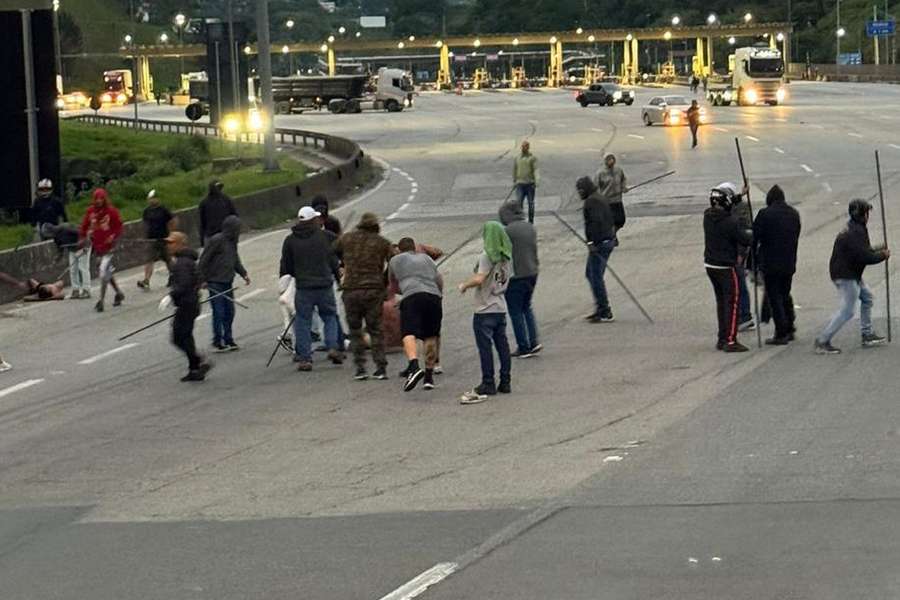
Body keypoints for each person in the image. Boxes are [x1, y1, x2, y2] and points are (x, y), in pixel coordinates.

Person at [814, 200, 890, 355]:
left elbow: (863, 250)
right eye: (867, 213)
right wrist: (882, 255)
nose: (868, 216)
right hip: (846, 275)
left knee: (867, 298)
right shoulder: (855, 232)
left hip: (850, 271)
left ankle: (867, 334)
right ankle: (822, 341)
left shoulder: (856, 228)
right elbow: (864, 256)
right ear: (861, 215)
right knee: (847, 311)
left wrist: (878, 249)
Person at [280, 206, 343, 371]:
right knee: (329, 317)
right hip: (324, 285)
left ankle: (305, 358)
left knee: (303, 321)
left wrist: (297, 276)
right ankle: (332, 347)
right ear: (313, 220)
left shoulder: (290, 240)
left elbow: (286, 266)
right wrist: (338, 279)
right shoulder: (326, 237)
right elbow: (334, 261)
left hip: (303, 287)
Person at [334, 213, 394, 381]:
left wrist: (344, 263)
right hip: (373, 290)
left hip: (351, 290)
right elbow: (394, 259)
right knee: (375, 329)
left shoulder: (346, 239)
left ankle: (360, 368)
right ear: (376, 226)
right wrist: (384, 279)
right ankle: (380, 367)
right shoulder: (382, 242)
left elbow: (332, 250)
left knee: (355, 330)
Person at [458, 222, 513, 405]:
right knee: (502, 345)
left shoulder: (487, 256)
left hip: (484, 307)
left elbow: (480, 278)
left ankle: (488, 382)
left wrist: (465, 285)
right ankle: (505, 381)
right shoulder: (506, 257)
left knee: (485, 347)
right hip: (500, 305)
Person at [389, 237, 444, 392]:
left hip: (412, 297)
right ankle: (429, 376)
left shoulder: (395, 260)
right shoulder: (426, 258)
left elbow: (393, 286)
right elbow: (439, 280)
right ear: (414, 248)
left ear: (399, 249)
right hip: (433, 296)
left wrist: (405, 292)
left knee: (408, 332)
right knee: (431, 336)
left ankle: (413, 365)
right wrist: (438, 296)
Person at [704, 183, 753, 352]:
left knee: (721, 302)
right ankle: (730, 340)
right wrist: (754, 233)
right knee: (732, 303)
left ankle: (722, 337)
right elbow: (745, 239)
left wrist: (740, 195)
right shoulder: (731, 222)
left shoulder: (707, 216)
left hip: (710, 265)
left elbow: (728, 203)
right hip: (726, 266)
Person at [753, 185, 801, 345]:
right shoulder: (794, 214)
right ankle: (790, 326)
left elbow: (755, 238)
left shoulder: (764, 214)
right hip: (789, 261)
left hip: (770, 263)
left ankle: (781, 332)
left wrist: (752, 260)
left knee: (775, 297)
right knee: (785, 294)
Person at [198, 215, 250, 352]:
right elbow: (203, 260)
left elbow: (235, 259)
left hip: (227, 281)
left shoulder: (233, 242)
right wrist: (202, 279)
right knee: (219, 312)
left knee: (229, 311)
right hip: (215, 282)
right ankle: (217, 340)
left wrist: (243, 273)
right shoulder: (216, 240)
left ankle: (228, 338)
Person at [166, 231, 212, 382]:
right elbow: (198, 277)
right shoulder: (187, 260)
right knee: (185, 336)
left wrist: (171, 295)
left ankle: (199, 360)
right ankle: (194, 368)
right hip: (191, 303)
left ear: (181, 244)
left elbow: (184, 284)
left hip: (187, 303)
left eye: (171, 242)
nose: (168, 245)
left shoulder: (182, 263)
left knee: (178, 337)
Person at [499, 201, 542, 356]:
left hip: (516, 275)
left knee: (515, 311)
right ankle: (534, 341)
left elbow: (499, 253)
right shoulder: (530, 227)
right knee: (527, 307)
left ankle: (523, 346)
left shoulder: (507, 231)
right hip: (532, 272)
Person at [579, 176, 617, 323]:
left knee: (595, 277)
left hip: (600, 243)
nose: (579, 193)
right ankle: (600, 308)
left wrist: (591, 242)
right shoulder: (600, 197)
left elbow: (595, 223)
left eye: (581, 190)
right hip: (607, 240)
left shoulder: (591, 201)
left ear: (586, 189)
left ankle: (605, 311)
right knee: (591, 274)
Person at [80, 188, 124, 312]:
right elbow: (84, 227)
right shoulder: (90, 212)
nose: (99, 201)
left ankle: (101, 300)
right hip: (97, 247)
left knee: (103, 271)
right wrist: (83, 237)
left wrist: (113, 236)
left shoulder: (111, 211)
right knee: (106, 272)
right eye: (96, 198)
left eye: (101, 198)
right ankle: (118, 292)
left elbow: (118, 226)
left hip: (109, 248)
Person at [138, 189, 175, 290]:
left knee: (168, 259)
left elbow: (171, 221)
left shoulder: (163, 210)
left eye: (153, 198)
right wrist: (144, 237)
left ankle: (174, 276)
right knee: (149, 260)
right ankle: (146, 280)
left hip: (163, 238)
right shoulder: (147, 211)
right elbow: (145, 224)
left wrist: (171, 234)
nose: (151, 200)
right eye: (150, 199)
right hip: (151, 239)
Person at [48, 223, 90, 299]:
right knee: (73, 270)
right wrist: (56, 259)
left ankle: (86, 290)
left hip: (83, 247)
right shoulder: (56, 237)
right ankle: (75, 290)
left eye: (49, 234)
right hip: (72, 250)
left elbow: (82, 233)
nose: (49, 236)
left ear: (52, 231)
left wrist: (85, 245)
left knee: (83, 268)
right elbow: (60, 250)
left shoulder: (66, 228)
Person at [198, 180, 237, 246]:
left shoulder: (226, 199)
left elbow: (234, 215)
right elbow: (202, 221)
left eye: (220, 187)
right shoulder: (204, 202)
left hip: (226, 233)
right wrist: (202, 238)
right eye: (217, 187)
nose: (218, 190)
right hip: (211, 234)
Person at [595, 154, 627, 232]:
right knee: (610, 222)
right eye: (608, 159)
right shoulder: (600, 173)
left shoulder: (618, 170)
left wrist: (623, 187)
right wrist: (599, 197)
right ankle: (611, 235)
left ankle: (613, 233)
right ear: (605, 161)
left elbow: (623, 179)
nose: (611, 161)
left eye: (612, 159)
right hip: (607, 202)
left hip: (617, 200)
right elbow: (596, 187)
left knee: (621, 220)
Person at [513, 141, 540, 224]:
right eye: (522, 146)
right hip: (520, 184)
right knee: (519, 203)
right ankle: (520, 220)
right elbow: (515, 170)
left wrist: (537, 180)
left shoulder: (532, 158)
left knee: (531, 204)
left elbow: (536, 169)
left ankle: (531, 221)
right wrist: (514, 180)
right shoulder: (517, 158)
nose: (523, 148)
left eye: (525, 146)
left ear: (528, 147)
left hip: (530, 184)